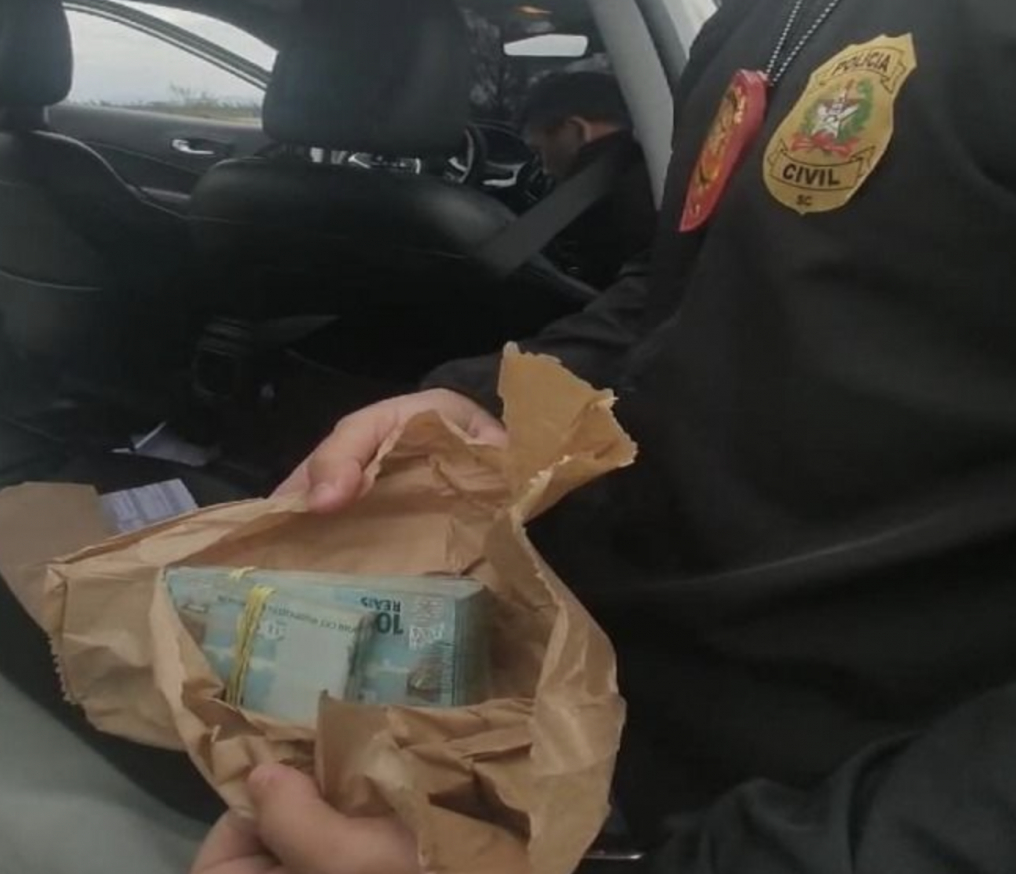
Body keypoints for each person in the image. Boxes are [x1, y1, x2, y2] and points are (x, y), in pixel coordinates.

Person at [198, 0, 1016, 871]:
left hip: (809, 794)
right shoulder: (758, 22)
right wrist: (491, 399)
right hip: (589, 704)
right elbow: (682, 282)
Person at [521, 71, 658, 288]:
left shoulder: (604, 204)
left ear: (576, 130)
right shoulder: (649, 175)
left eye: (539, 151)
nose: (544, 170)